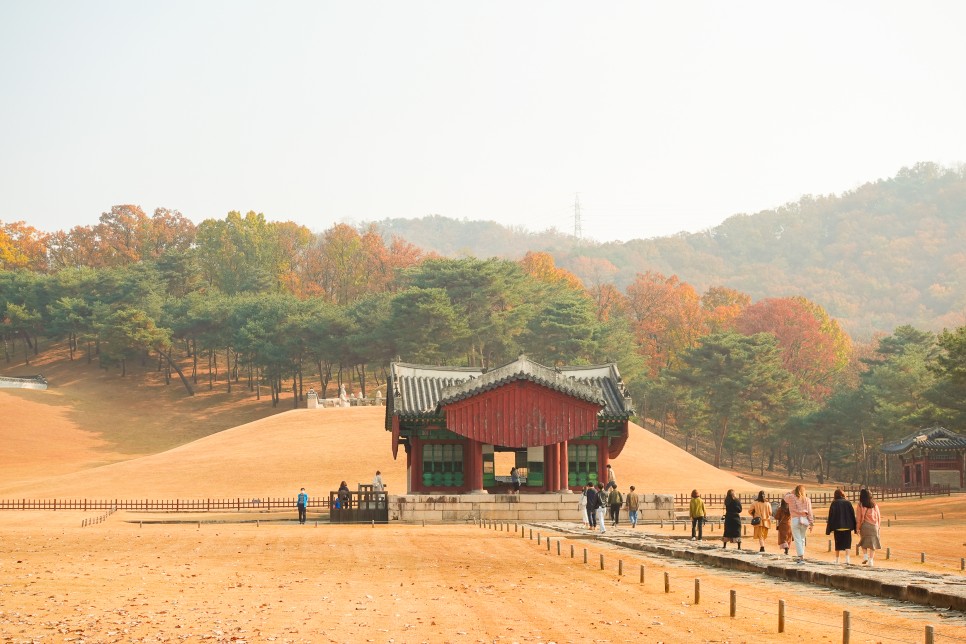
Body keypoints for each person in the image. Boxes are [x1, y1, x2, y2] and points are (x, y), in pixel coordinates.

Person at [783, 484, 815, 564]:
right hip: (804, 519)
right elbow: (810, 512)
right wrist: (811, 523)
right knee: (802, 538)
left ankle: (800, 556)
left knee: (797, 539)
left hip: (795, 519)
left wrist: (791, 492)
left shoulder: (791, 497)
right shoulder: (807, 499)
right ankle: (802, 555)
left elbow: (785, 498)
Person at [826, 488, 857, 565]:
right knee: (847, 543)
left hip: (837, 526)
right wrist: (854, 527)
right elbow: (852, 515)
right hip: (847, 526)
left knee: (838, 543)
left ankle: (837, 559)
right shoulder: (848, 503)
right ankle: (847, 559)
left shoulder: (834, 503)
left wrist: (829, 528)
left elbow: (831, 516)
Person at [856, 488, 882, 566]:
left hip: (864, 526)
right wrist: (878, 526)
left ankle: (865, 556)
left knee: (863, 541)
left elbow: (858, 518)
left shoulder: (860, 505)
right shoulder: (874, 504)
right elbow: (878, 516)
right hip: (874, 526)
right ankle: (871, 560)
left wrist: (857, 528)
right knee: (873, 544)